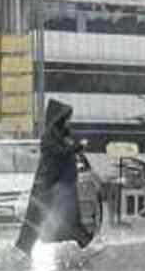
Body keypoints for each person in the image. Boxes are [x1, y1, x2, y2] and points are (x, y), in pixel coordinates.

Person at [14, 99, 94, 257]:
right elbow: (60, 153)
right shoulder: (49, 137)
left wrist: (75, 146)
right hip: (49, 183)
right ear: (58, 119)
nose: (68, 122)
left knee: (69, 214)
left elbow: (67, 150)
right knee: (37, 215)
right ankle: (24, 247)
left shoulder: (63, 135)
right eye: (65, 119)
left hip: (62, 182)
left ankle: (83, 241)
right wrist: (77, 147)